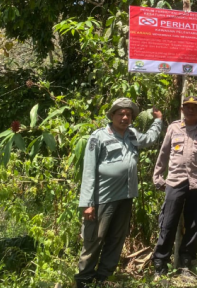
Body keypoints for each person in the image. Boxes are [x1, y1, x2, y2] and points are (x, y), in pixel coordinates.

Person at [75, 98, 163, 288]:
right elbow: (89, 171)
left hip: (125, 197)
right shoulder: (98, 137)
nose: (124, 117)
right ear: (112, 115)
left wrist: (158, 121)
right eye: (120, 114)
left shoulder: (131, 134)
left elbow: (147, 140)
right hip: (102, 198)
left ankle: (103, 277)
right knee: (94, 240)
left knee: (116, 238)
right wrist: (87, 203)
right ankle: (83, 280)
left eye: (128, 114)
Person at [151, 95, 197, 278]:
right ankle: (160, 264)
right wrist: (157, 176)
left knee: (194, 224)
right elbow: (163, 154)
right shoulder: (173, 128)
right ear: (182, 109)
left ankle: (186, 264)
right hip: (175, 181)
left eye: (195, 107)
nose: (191, 110)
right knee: (168, 223)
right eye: (187, 107)